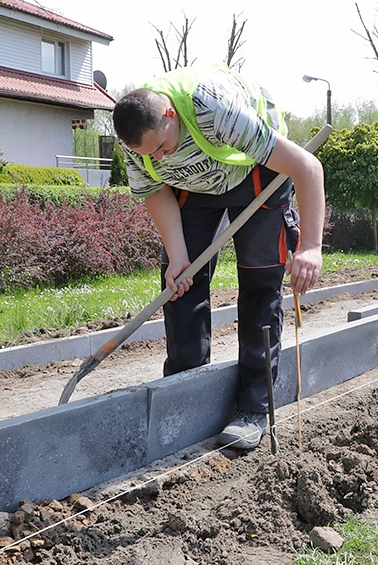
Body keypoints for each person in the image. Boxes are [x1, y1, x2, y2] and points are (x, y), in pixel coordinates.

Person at [112, 63, 325, 450]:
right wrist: (178, 256)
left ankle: (252, 408)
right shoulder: (137, 144)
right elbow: (156, 191)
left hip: (255, 170)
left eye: (162, 147)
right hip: (194, 185)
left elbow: (307, 166)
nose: (157, 158)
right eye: (149, 155)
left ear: (171, 115)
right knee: (180, 286)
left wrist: (311, 246)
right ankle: (185, 395)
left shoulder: (213, 108)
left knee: (260, 285)